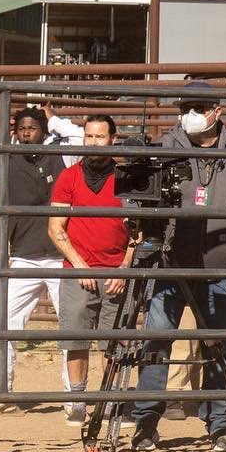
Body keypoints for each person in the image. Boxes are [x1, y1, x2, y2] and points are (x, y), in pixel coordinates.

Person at [130, 82, 226, 452]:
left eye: (199, 107)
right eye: (185, 107)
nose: (190, 114)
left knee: (221, 345)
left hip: (222, 266)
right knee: (156, 341)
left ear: (217, 111)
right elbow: (139, 197)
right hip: (170, 263)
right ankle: (145, 422)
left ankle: (221, 423)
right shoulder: (164, 148)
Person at [0, 107, 68, 416]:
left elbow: (80, 139)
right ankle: (0, 394)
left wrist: (57, 122)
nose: (26, 133)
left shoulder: (63, 155)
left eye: (32, 127)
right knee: (4, 326)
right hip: (24, 256)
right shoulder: (7, 159)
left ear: (43, 131)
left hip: (61, 256)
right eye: (21, 128)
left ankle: (73, 397)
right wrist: (0, 144)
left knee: (71, 327)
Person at [48, 115, 132, 424]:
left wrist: (124, 267)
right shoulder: (69, 177)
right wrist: (79, 265)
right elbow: (55, 228)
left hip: (116, 272)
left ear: (113, 139)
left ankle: (109, 400)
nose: (93, 143)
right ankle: (78, 399)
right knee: (76, 337)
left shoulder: (126, 177)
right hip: (78, 270)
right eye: (89, 136)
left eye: (99, 137)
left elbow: (138, 229)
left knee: (116, 340)